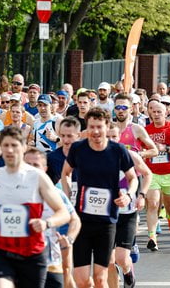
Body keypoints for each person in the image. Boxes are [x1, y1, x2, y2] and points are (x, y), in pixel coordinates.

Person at [61, 107, 138, 288]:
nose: (95, 131)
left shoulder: (118, 150)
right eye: (91, 127)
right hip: (81, 220)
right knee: (82, 280)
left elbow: (133, 177)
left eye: (99, 127)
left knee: (100, 278)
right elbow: (65, 173)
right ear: (86, 128)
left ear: (107, 126)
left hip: (106, 222)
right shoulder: (78, 149)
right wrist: (67, 196)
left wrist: (128, 195)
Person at [0, 126, 70, 288]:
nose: (10, 150)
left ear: (23, 148)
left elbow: (63, 213)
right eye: (6, 145)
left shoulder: (37, 177)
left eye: (15, 146)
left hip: (33, 253)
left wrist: (47, 223)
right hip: (2, 251)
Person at [24, 147, 81, 288]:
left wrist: (69, 239)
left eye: (36, 165)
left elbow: (75, 220)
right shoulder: (10, 193)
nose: (32, 169)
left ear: (44, 168)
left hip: (51, 264)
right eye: (28, 165)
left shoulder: (56, 194)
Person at [106, 123, 152, 288]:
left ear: (119, 137)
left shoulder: (131, 156)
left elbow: (147, 174)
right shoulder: (96, 158)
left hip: (127, 212)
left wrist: (141, 195)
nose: (110, 140)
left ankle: (128, 273)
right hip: (105, 214)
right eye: (107, 136)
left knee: (121, 258)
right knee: (108, 260)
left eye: (114, 137)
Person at [144, 101, 170, 251]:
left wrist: (166, 148)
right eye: (153, 112)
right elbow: (141, 149)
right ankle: (152, 238)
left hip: (169, 173)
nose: (156, 114)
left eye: (159, 112)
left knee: (169, 206)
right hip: (152, 173)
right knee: (153, 204)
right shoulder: (146, 130)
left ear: (165, 113)